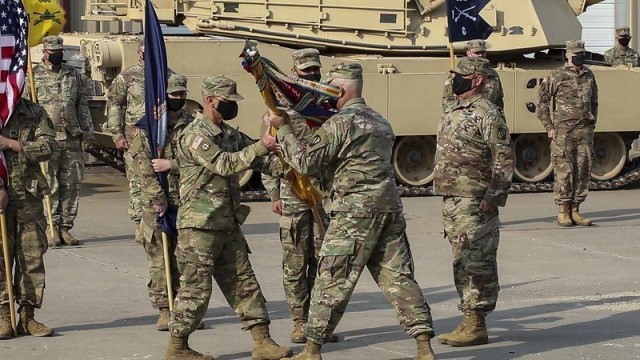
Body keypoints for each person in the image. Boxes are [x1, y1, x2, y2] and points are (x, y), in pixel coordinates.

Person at [269, 62, 436, 360]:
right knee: (398, 278)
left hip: (354, 214)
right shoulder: (380, 121)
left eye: (330, 87)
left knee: (331, 278)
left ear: (341, 89)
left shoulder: (341, 122)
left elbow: (307, 163)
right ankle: (424, 345)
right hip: (389, 210)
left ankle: (312, 349)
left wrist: (283, 131)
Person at [164, 76, 291, 360]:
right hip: (199, 226)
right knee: (195, 291)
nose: (232, 107)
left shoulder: (230, 134)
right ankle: (177, 347)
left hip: (227, 223)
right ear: (210, 100)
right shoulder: (195, 135)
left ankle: (263, 342)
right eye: (228, 102)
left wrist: (289, 160)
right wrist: (261, 146)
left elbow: (262, 161)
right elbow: (225, 163)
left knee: (244, 283)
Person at [433, 57, 514, 347]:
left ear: (477, 80)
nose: (454, 78)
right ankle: (468, 318)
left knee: (477, 261)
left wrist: (493, 197)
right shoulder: (453, 109)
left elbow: (503, 158)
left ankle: (476, 322)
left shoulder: (488, 113)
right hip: (453, 199)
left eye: (460, 75)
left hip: (475, 200)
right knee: (461, 260)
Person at [261, 48, 338, 344]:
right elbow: (268, 155)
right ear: (293, 74)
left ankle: (319, 323)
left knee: (324, 261)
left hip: (324, 195)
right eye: (306, 73)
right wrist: (273, 195)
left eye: (315, 71)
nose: (312, 76)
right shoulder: (278, 111)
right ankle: (299, 321)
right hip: (292, 194)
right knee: (295, 262)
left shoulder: (328, 107)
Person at [130, 74, 193, 331]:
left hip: (187, 200)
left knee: (185, 258)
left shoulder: (193, 124)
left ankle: (183, 307)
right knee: (159, 257)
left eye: (181, 94)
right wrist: (158, 198)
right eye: (173, 95)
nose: (178, 99)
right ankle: (165, 308)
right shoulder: (148, 128)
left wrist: (174, 165)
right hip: (157, 203)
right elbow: (143, 167)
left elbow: (200, 160)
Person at [23, 35, 94, 246]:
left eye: (60, 52)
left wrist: (87, 134)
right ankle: (50, 228)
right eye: (54, 52)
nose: (58, 55)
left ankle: (66, 228)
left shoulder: (72, 75)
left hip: (71, 138)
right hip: (47, 139)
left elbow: (82, 106)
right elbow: (26, 110)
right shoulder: (32, 77)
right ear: (45, 53)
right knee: (49, 185)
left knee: (71, 185)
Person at [0, 98, 57, 339]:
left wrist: (13, 144)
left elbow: (49, 146)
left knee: (31, 258)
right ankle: (3, 315)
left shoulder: (34, 111)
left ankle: (27, 316)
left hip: (28, 197)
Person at [537, 40, 598, 227]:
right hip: (563, 130)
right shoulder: (557, 75)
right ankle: (563, 211)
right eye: (576, 54)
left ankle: (576, 209)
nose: (580, 56)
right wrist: (549, 127)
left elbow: (594, 101)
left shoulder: (589, 75)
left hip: (584, 130)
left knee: (583, 169)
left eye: (582, 53)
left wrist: (592, 122)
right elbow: (542, 102)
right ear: (568, 55)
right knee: (564, 170)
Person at [107, 38, 145, 243]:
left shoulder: (167, 75)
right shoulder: (127, 77)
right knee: (137, 182)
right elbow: (116, 106)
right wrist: (117, 135)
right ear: (139, 53)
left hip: (161, 139)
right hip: (134, 140)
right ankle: (139, 224)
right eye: (144, 53)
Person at [443, 39, 504, 109]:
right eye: (477, 52)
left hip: (487, 116)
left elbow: (498, 100)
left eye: (483, 52)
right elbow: (447, 100)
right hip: (465, 116)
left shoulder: (493, 74)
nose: (481, 55)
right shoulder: (458, 74)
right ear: (469, 53)